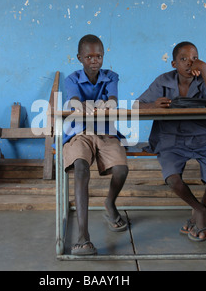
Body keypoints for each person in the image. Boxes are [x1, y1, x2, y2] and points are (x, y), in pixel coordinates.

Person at [134, 41, 206, 242]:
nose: (189, 63)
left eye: (194, 58)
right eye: (183, 59)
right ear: (174, 64)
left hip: (203, 138)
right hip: (170, 140)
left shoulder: (203, 81)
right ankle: (201, 211)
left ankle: (197, 212)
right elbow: (136, 106)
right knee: (172, 178)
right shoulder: (163, 81)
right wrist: (153, 106)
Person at [63, 34, 129, 255]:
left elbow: (113, 99)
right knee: (81, 168)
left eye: (98, 56)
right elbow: (72, 101)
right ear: (80, 57)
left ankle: (109, 203)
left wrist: (107, 103)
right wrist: (82, 106)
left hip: (105, 132)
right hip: (79, 133)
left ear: (103, 56)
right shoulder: (72, 79)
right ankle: (83, 235)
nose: (94, 60)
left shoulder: (111, 76)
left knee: (121, 169)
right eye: (89, 56)